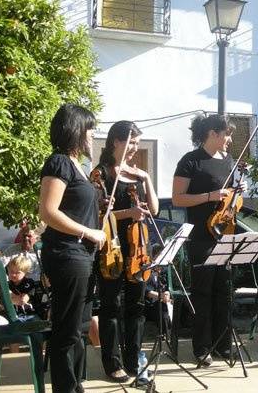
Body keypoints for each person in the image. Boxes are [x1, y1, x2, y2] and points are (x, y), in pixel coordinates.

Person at [39, 103, 105, 393]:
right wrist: (89, 231)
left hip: (81, 257)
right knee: (67, 331)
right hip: (67, 255)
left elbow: (74, 208)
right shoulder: (59, 163)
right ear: (77, 130)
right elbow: (48, 212)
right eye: (90, 130)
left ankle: (76, 386)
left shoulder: (78, 165)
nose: (93, 136)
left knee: (79, 329)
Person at [172, 113, 244, 366]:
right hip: (201, 237)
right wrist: (210, 195)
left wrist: (237, 193)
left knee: (224, 291)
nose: (230, 139)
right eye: (227, 133)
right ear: (213, 133)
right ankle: (202, 347)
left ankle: (223, 345)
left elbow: (230, 199)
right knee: (202, 292)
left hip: (225, 233)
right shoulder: (191, 161)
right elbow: (179, 199)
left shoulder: (229, 161)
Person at [93, 120, 158, 382]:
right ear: (115, 142)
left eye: (136, 143)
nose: (134, 148)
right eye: (130, 142)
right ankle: (112, 363)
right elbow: (98, 217)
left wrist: (147, 178)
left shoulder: (136, 174)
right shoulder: (102, 174)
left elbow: (152, 209)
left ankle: (134, 360)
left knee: (137, 306)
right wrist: (128, 213)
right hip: (113, 248)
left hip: (138, 250)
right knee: (111, 307)